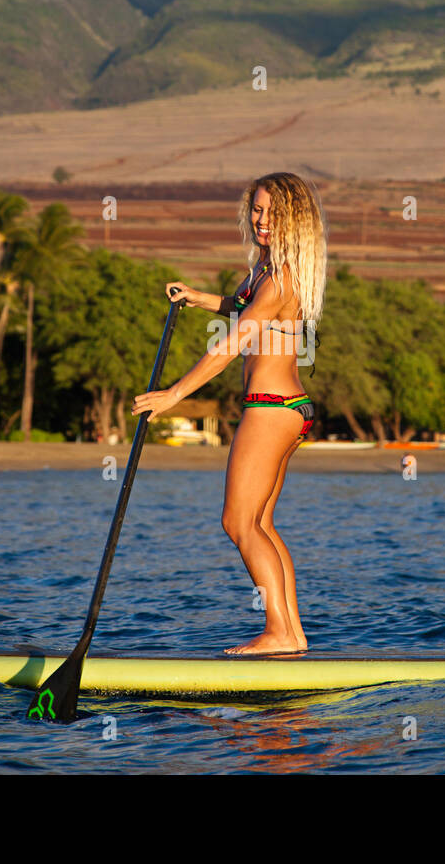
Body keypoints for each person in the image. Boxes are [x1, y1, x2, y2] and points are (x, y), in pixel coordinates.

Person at [132, 172, 327, 654]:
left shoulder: (280, 278)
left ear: (293, 219)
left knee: (238, 523)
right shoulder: (268, 268)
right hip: (288, 409)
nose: (261, 220)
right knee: (259, 524)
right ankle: (292, 634)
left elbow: (234, 342)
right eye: (256, 211)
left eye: (272, 213)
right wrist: (202, 299)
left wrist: (174, 394)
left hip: (271, 409)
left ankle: (279, 631)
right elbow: (243, 310)